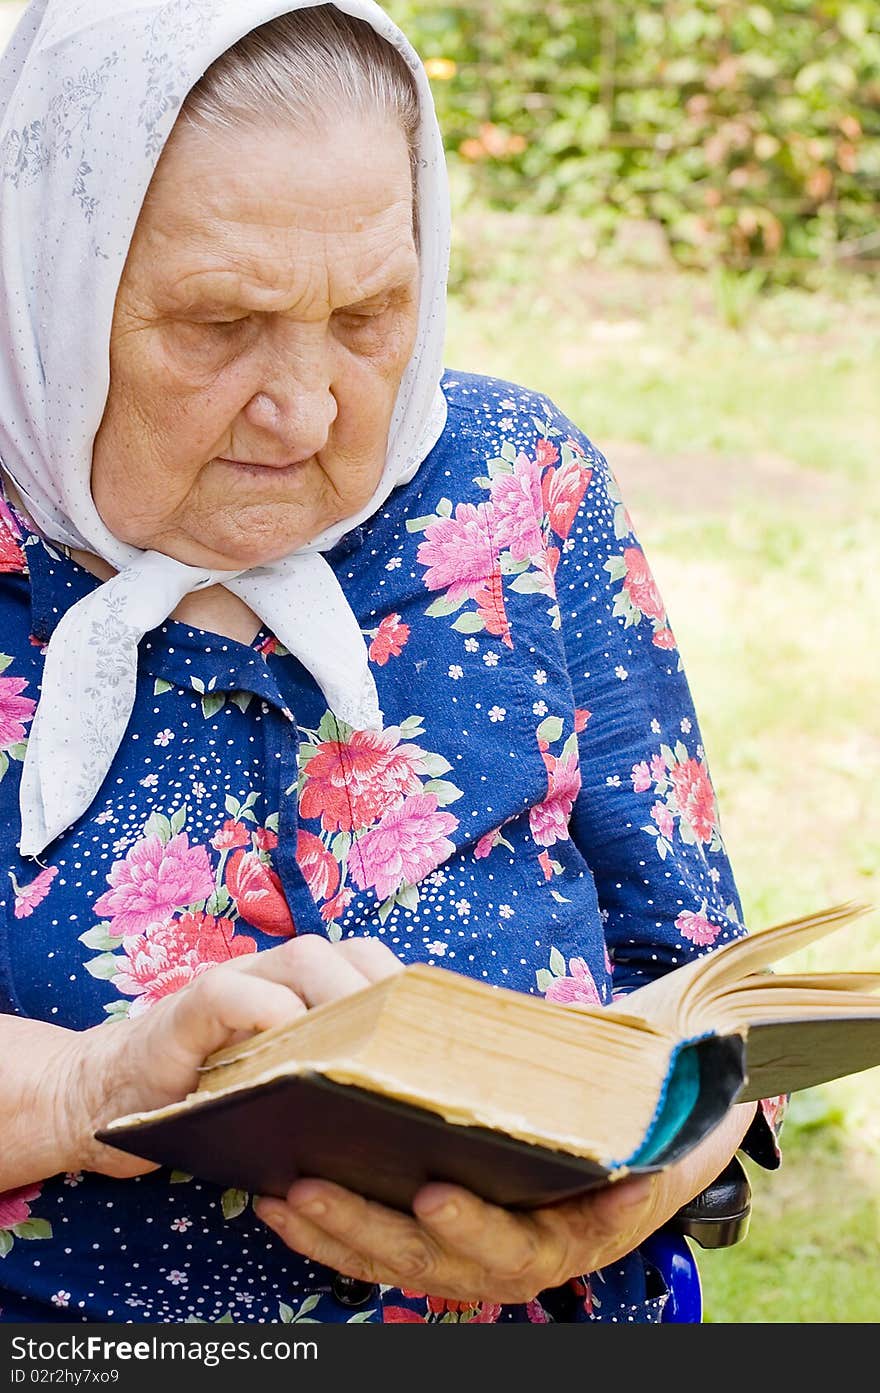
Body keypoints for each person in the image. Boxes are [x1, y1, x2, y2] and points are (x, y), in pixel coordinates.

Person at [0, 0, 782, 1325]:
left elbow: (703, 989)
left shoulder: (515, 476)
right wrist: (94, 1087)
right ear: (43, 285)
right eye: (218, 323)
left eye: (370, 314)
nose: (305, 405)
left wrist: (626, 1201)